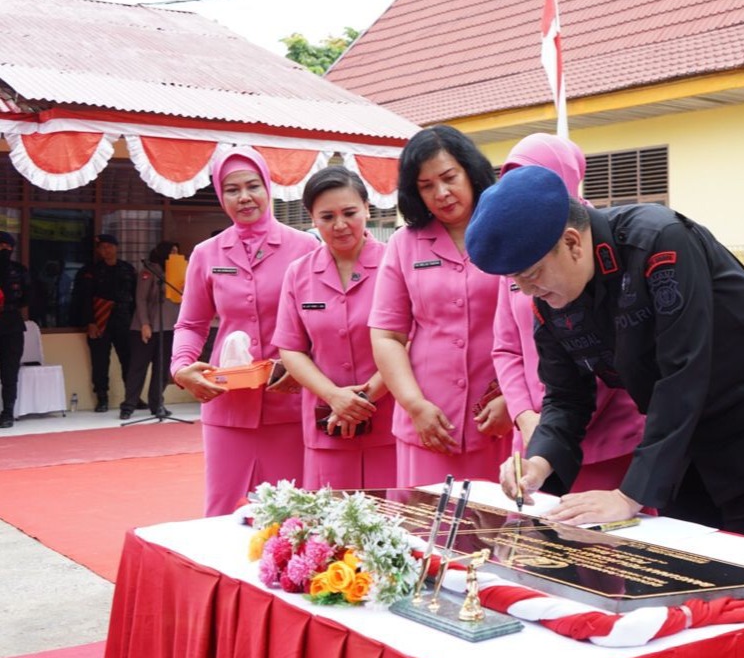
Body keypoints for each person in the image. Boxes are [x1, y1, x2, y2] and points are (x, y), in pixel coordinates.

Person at [467, 164, 744, 547]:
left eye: (532, 274)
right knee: (689, 554)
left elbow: (683, 371)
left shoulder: (658, 242)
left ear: (572, 243)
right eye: (515, 282)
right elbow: (566, 396)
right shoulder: (550, 295)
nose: (528, 290)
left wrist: (628, 495)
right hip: (685, 430)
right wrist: (538, 462)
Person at [490, 134, 644, 491]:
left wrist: (549, 426)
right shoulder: (517, 253)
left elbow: (613, 345)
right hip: (537, 437)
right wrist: (526, 418)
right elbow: (505, 348)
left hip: (607, 436)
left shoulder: (597, 244)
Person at [172, 148, 320, 516]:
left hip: (289, 401)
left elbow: (322, 322)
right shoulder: (207, 254)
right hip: (227, 403)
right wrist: (181, 367)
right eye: (232, 189)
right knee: (223, 510)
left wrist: (306, 368)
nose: (244, 197)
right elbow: (191, 323)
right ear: (221, 197)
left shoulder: (305, 248)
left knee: (292, 515)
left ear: (268, 188)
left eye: (253, 186)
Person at [369, 126, 508, 487]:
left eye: (449, 178)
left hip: (500, 418)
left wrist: (516, 399)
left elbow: (541, 325)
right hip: (429, 422)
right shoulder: (404, 243)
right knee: (426, 532)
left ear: (471, 172)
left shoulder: (507, 229)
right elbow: (387, 335)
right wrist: (414, 405)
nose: (441, 194)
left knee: (498, 534)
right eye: (426, 186)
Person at [273, 166, 397, 491]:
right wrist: (334, 398)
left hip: (391, 422)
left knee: (394, 528)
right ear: (312, 219)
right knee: (332, 529)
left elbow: (408, 340)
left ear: (367, 208)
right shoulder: (299, 273)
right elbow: (291, 348)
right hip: (327, 422)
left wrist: (364, 398)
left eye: (349, 212)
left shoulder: (394, 264)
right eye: (327, 217)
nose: (340, 225)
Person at [70, 234, 137, 414]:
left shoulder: (128, 269)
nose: (105, 250)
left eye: (109, 246)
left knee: (129, 360)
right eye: (102, 247)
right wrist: (90, 322)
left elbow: (135, 299)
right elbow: (82, 300)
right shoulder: (89, 271)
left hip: (124, 320)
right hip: (100, 319)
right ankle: (102, 398)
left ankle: (132, 397)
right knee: (100, 362)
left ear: (116, 247)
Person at [122, 240, 178, 420]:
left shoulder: (178, 272)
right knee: (138, 367)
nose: (175, 255)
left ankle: (157, 404)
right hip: (146, 328)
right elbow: (141, 299)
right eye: (172, 251)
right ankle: (129, 405)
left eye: (177, 252)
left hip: (169, 327)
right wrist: (145, 324)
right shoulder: (150, 270)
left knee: (162, 369)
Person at [0, 232, 31, 429]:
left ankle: (7, 413)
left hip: (10, 324)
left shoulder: (19, 270)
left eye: (6, 246)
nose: (3, 249)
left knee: (10, 372)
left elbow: (27, 298)